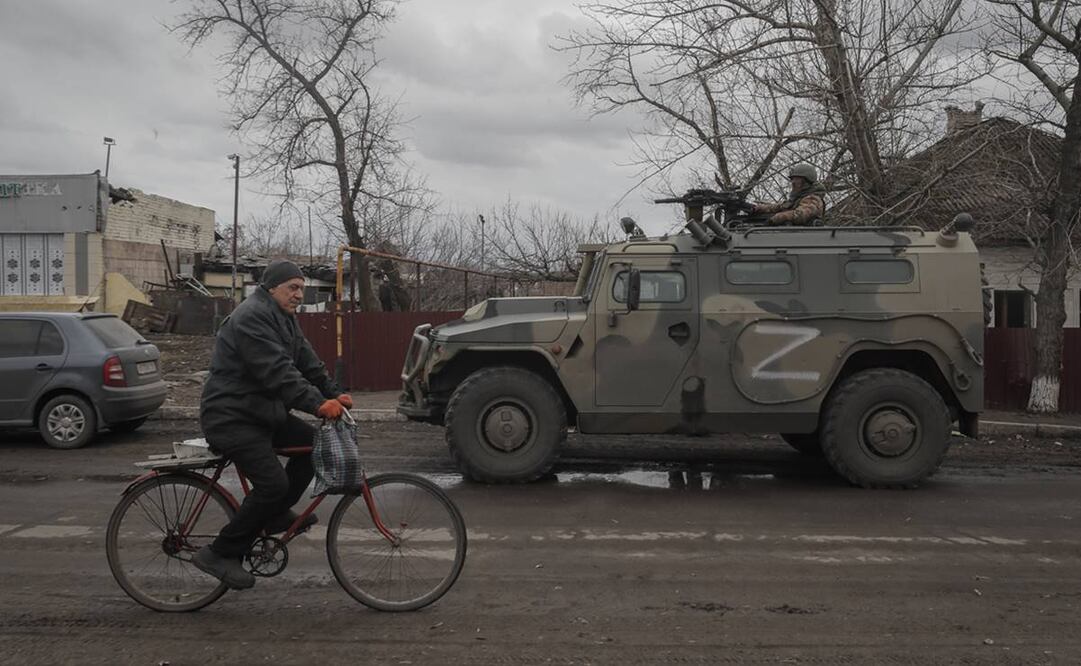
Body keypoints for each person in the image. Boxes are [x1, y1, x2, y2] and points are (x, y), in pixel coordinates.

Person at [193, 259, 352, 590]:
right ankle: (219, 553)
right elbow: (277, 372)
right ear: (271, 287)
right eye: (292, 288)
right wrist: (318, 404)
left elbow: (308, 362)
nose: (298, 295)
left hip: (261, 413)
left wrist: (336, 394)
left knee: (313, 447)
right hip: (231, 416)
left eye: (301, 290)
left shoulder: (284, 317)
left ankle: (275, 515)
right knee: (273, 485)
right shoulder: (252, 317)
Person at [750, 163, 826, 226]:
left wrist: (780, 217)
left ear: (806, 182)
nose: (793, 182)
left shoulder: (813, 199)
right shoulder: (797, 198)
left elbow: (800, 215)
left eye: (797, 179)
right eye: (792, 179)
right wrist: (758, 208)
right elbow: (779, 207)